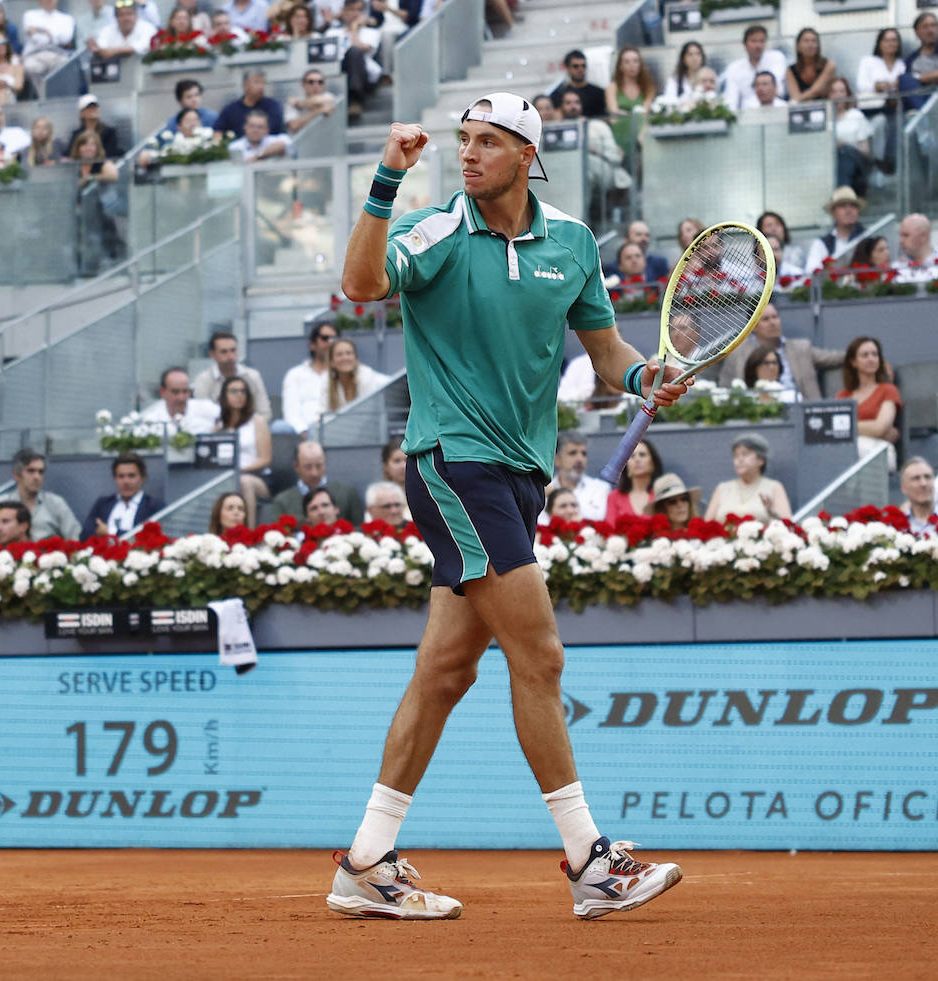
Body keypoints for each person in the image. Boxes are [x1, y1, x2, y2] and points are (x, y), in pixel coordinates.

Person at [328, 92, 688, 921]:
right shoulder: (434, 232)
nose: (468, 154)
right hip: (456, 464)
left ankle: (367, 861)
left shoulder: (572, 243)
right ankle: (590, 858)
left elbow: (606, 351)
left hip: (521, 475)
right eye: (463, 141)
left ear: (527, 154)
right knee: (543, 654)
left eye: (487, 142)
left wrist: (644, 376)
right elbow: (358, 283)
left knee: (446, 670)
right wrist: (388, 176)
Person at [717, 303, 842, 400]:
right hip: (758, 414)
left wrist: (856, 352)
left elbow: (832, 357)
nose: (773, 323)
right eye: (765, 319)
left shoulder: (801, 348)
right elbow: (725, 389)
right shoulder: (737, 353)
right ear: (753, 327)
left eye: (775, 317)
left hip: (803, 410)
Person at [0, 449, 82, 545]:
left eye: (40, 472)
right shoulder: (1, 503)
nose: (37, 477)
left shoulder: (56, 503)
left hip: (49, 566)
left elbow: (74, 538)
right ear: (17, 475)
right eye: (31, 471)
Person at [557, 89, 631, 222]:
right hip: (567, 174)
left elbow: (615, 157)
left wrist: (592, 150)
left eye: (576, 102)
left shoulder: (597, 126)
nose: (573, 106)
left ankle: (581, 219)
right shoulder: (556, 129)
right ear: (561, 107)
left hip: (603, 170)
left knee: (585, 169)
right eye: (568, 103)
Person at [836, 336, 902, 468]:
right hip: (848, 453)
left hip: (878, 451)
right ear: (853, 362)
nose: (871, 359)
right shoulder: (842, 396)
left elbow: (879, 427)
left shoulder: (888, 390)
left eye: (875, 354)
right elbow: (834, 432)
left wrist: (847, 427)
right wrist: (872, 430)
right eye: (865, 355)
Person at [217, 375, 272, 524]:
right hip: (227, 477)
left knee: (244, 482)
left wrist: (240, 470)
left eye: (243, 391)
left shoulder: (257, 421)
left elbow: (265, 459)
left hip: (257, 478)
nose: (239, 395)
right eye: (233, 391)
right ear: (224, 395)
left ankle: (249, 533)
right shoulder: (219, 425)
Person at [705, 433, 790, 524]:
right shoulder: (722, 488)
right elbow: (706, 524)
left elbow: (788, 524)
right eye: (736, 455)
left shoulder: (774, 487)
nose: (740, 459)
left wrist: (771, 512)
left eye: (745, 454)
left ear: (761, 460)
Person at [271, 440, 362, 521]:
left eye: (319, 466)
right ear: (296, 466)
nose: (314, 473)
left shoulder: (347, 494)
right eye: (308, 467)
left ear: (325, 463)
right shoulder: (282, 502)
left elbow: (359, 530)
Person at [191, 331, 272, 419]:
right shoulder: (203, 380)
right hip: (216, 430)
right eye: (224, 352)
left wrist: (248, 428)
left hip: (250, 427)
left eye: (233, 350)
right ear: (212, 354)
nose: (230, 356)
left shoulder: (252, 376)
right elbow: (202, 414)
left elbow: (264, 412)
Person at [325, 0, 382, 121]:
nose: (355, 13)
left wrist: (354, 29)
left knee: (354, 52)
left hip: (363, 76)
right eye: (352, 9)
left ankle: (355, 100)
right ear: (343, 12)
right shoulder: (331, 32)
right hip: (338, 71)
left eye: (359, 10)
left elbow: (361, 48)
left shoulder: (371, 32)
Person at [857, 27, 904, 172]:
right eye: (887, 40)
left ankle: (891, 161)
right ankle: (878, 161)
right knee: (880, 122)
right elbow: (861, 85)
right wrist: (879, 86)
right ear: (880, 43)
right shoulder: (869, 61)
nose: (891, 43)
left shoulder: (901, 64)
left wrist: (888, 87)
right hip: (871, 109)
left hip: (893, 107)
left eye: (894, 40)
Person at [83, 452, 165, 536]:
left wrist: (110, 531)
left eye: (131, 476)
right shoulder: (103, 504)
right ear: (115, 478)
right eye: (121, 476)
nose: (126, 482)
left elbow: (150, 538)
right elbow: (84, 534)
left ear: (143, 477)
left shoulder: (154, 507)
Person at [281, 322, 340, 435]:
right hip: (304, 434)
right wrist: (304, 432)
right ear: (312, 344)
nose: (330, 343)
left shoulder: (343, 373)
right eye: (325, 338)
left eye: (334, 339)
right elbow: (291, 412)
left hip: (337, 432)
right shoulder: (295, 374)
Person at [605, 46, 655, 161]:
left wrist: (625, 113)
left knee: (640, 123)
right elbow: (614, 117)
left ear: (640, 64)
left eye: (635, 61)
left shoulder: (648, 88)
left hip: (641, 131)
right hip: (621, 132)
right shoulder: (612, 87)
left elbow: (644, 113)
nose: (632, 65)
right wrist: (633, 114)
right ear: (620, 66)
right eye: (627, 62)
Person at [141, 366, 222, 436]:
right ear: (162, 392)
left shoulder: (206, 408)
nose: (181, 398)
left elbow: (230, 417)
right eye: (175, 392)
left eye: (185, 391)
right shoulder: (149, 420)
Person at [720, 25, 787, 110]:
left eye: (762, 41)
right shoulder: (734, 68)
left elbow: (778, 90)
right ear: (745, 45)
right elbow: (731, 99)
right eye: (754, 41)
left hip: (776, 107)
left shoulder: (776, 58)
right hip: (748, 112)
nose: (758, 45)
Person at [828, 77, 873, 200]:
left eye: (842, 91)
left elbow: (866, 151)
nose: (838, 95)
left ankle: (843, 199)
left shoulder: (856, 116)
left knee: (843, 153)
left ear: (847, 94)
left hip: (854, 160)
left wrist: (845, 144)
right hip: (828, 160)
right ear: (828, 95)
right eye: (834, 91)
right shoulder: (823, 119)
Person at [803, 187, 866, 272]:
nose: (849, 210)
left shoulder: (867, 239)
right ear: (833, 212)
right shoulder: (821, 244)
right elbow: (811, 272)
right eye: (842, 206)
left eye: (853, 206)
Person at [22, 0, 77, 96]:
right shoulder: (30, 15)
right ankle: (45, 96)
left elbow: (66, 38)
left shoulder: (67, 18)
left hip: (58, 54)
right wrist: (52, 35)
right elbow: (36, 38)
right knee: (31, 66)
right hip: (34, 54)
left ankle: (56, 96)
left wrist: (43, 31)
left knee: (64, 66)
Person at [324, 338, 390, 415]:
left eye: (349, 353)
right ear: (332, 362)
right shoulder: (326, 380)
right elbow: (323, 412)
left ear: (355, 358)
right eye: (339, 354)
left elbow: (367, 413)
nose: (345, 358)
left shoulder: (366, 376)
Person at [216, 70, 286, 140]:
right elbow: (218, 132)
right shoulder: (230, 110)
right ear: (245, 85)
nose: (261, 86)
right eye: (257, 82)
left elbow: (278, 132)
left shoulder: (273, 106)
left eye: (263, 83)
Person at [603, 438, 662, 524]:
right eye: (631, 456)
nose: (637, 460)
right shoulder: (614, 497)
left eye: (642, 455)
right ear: (625, 465)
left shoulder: (661, 495)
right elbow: (610, 531)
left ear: (653, 463)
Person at [88, 0, 157, 59]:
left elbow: (143, 46)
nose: (126, 18)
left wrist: (115, 51)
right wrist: (96, 49)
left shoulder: (148, 28)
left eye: (129, 14)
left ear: (136, 15)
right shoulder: (107, 30)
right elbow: (102, 48)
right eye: (121, 14)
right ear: (116, 17)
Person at [550, 49, 606, 119]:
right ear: (567, 68)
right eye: (575, 66)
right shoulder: (558, 94)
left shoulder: (599, 93)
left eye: (583, 66)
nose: (580, 69)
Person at [899, 457, 938, 535]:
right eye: (916, 478)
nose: (923, 483)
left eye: (927, 477)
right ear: (903, 487)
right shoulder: (896, 525)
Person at [787, 27, 836, 103]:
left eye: (814, 41)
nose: (810, 45)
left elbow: (816, 91)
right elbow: (794, 95)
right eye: (806, 41)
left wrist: (798, 100)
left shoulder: (829, 65)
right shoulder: (791, 70)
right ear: (798, 46)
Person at [69, 94, 122, 160]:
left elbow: (111, 154)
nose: (93, 109)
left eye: (95, 107)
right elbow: (71, 154)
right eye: (89, 107)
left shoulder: (109, 132)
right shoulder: (76, 134)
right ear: (81, 113)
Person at [286, 70, 338, 136]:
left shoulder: (328, 97)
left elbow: (318, 100)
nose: (316, 85)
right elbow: (294, 125)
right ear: (303, 84)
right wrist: (318, 111)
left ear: (324, 85)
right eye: (311, 82)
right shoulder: (292, 104)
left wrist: (299, 104)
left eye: (320, 82)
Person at [756, 212, 804, 277]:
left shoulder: (797, 252)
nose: (774, 229)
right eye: (769, 225)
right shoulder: (753, 265)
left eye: (777, 224)